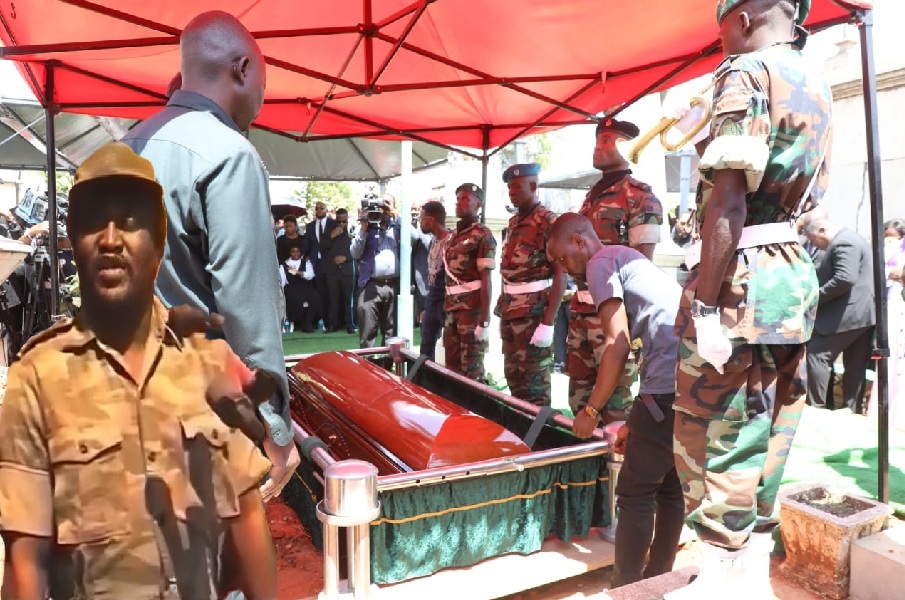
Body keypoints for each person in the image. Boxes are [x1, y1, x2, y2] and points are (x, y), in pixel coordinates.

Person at [0, 142, 276, 600]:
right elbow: (24, 560)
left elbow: (247, 516)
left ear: (159, 242)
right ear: (72, 242)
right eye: (93, 222)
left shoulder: (206, 363)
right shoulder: (37, 378)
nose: (111, 239)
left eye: (130, 221)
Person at [666, 0, 832, 595]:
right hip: (787, 278)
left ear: (740, 19)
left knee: (714, 431)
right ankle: (749, 577)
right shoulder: (815, 82)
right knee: (771, 430)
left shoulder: (745, 71)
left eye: (721, 33)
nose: (721, 44)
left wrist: (706, 306)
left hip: (741, 281)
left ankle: (721, 580)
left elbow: (730, 199)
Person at [122, 10, 300, 501]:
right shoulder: (228, 154)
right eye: (263, 83)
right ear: (242, 69)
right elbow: (247, 309)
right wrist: (275, 428)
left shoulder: (125, 147)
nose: (261, 100)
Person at [549, 213, 684, 588]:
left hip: (666, 382)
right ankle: (657, 580)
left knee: (635, 492)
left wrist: (591, 410)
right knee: (670, 485)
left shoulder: (599, 263)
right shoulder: (624, 257)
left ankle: (626, 589)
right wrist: (634, 423)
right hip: (691, 379)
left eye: (561, 257)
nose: (563, 267)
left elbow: (617, 343)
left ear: (579, 241)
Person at [566, 118, 663, 421]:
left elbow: (642, 265)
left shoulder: (639, 196)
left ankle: (614, 455)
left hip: (614, 315)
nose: (599, 146)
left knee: (615, 405)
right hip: (582, 312)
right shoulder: (590, 197)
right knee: (578, 402)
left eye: (608, 140)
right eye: (598, 139)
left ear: (628, 146)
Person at [496, 163, 567, 406]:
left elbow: (561, 273)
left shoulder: (548, 221)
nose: (511, 192)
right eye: (509, 187)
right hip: (510, 311)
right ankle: (519, 427)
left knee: (535, 386)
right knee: (514, 380)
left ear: (534, 186)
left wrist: (548, 323)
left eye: (517, 187)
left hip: (534, 315)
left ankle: (540, 430)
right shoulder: (513, 222)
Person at [801, 214, 875, 412]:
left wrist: (815, 297)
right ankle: (851, 410)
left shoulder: (844, 242)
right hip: (861, 315)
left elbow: (845, 278)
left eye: (813, 239)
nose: (814, 245)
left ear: (822, 230)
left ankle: (816, 408)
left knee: (817, 354)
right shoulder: (851, 238)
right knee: (855, 366)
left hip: (848, 314)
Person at [443, 184, 496, 380]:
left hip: (471, 310)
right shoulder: (453, 236)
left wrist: (484, 321)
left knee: (471, 368)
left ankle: (475, 400)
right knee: (451, 366)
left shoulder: (482, 234)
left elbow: (486, 279)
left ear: (478, 205)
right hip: (452, 308)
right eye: (458, 199)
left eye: (465, 199)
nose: (459, 203)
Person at [868, 219, 905, 428]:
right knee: (889, 359)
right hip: (892, 305)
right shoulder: (884, 250)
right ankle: (883, 411)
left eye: (895, 237)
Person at [351, 193, 400, 348]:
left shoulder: (398, 227)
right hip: (370, 284)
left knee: (391, 331)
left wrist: (395, 215)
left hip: (393, 284)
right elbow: (354, 253)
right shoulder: (368, 226)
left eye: (387, 205)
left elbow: (415, 238)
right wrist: (363, 230)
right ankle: (367, 361)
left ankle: (388, 362)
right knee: (367, 330)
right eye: (381, 205)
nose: (383, 209)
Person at [418, 200, 451, 359]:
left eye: (421, 219)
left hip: (448, 301)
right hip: (432, 300)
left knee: (451, 347)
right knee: (426, 347)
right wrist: (428, 307)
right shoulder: (432, 240)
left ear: (430, 220)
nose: (420, 222)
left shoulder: (452, 242)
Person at [320, 207, 356, 334]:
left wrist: (346, 258)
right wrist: (331, 236)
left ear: (347, 220)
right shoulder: (329, 231)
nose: (341, 224)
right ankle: (332, 325)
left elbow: (359, 250)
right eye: (339, 221)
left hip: (347, 269)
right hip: (332, 270)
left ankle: (350, 325)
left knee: (348, 299)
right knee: (332, 299)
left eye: (343, 221)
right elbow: (322, 247)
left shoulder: (353, 231)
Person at [303, 200, 334, 330]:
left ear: (326, 209)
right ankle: (322, 321)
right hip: (316, 264)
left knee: (331, 293)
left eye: (322, 208)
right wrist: (306, 256)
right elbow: (306, 244)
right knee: (319, 293)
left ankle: (333, 322)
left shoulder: (333, 224)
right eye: (317, 208)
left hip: (332, 263)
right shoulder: (310, 226)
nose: (319, 210)